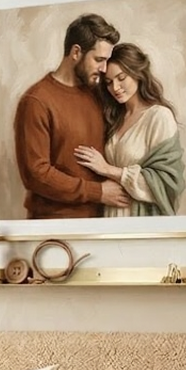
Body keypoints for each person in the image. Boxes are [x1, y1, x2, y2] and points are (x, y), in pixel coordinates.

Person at [13, 13, 131, 218]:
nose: (104, 69)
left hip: (101, 220)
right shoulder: (36, 101)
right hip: (53, 223)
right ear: (76, 52)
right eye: (99, 60)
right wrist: (98, 192)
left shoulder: (99, 94)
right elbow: (36, 174)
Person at [73, 42, 185, 216]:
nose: (115, 88)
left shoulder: (159, 117)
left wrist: (107, 169)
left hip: (140, 218)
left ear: (137, 73)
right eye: (109, 82)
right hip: (111, 213)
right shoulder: (114, 118)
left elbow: (166, 185)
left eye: (121, 78)